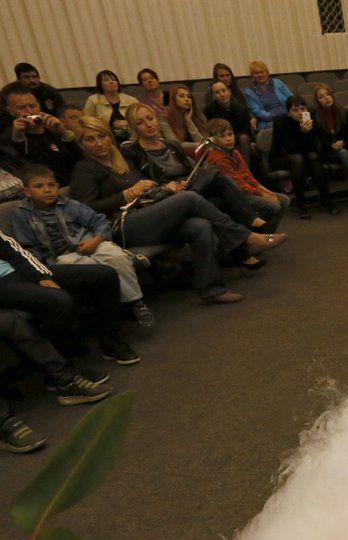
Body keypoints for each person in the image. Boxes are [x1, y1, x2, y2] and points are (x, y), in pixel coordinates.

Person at [70, 116, 284, 304]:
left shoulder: (122, 162)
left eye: (102, 136)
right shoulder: (84, 169)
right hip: (122, 226)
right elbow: (87, 208)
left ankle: (211, 289)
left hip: (148, 214)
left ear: (110, 137)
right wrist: (126, 194)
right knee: (189, 198)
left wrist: (164, 188)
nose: (99, 143)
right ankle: (246, 238)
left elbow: (146, 188)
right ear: (81, 144)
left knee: (199, 225)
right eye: (90, 139)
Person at [12, 164, 155, 326]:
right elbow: (28, 247)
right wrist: (42, 273)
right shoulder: (21, 214)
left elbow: (99, 222)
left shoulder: (70, 204)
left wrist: (96, 240)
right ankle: (122, 284)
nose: (47, 190)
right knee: (91, 268)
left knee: (113, 256)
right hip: (62, 257)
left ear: (57, 186)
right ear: (27, 191)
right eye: (39, 186)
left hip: (92, 243)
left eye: (51, 185)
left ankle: (136, 302)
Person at [121, 103, 271, 243]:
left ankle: (249, 224)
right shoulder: (132, 152)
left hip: (187, 186)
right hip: (166, 197)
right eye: (140, 123)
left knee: (216, 174)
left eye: (150, 118)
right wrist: (167, 188)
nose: (149, 124)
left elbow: (190, 170)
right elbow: (141, 187)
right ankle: (248, 235)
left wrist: (184, 182)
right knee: (217, 191)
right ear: (133, 128)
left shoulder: (171, 145)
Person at [0, 228, 140, 365]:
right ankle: (58, 360)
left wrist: (42, 276)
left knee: (105, 275)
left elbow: (16, 251)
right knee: (60, 300)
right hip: (3, 283)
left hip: (20, 270)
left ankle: (110, 340)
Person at [205, 118, 287, 232]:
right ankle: (254, 234)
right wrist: (262, 194)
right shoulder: (217, 159)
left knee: (284, 200)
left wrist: (264, 190)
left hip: (245, 191)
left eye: (230, 134)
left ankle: (264, 233)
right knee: (275, 206)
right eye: (222, 136)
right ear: (214, 140)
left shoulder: (235, 153)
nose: (228, 138)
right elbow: (238, 185)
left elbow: (248, 176)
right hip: (234, 196)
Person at [270, 95, 337, 219]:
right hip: (282, 157)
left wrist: (308, 133)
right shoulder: (280, 122)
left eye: (303, 109)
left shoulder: (309, 119)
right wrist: (302, 133)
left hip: (304, 155)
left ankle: (326, 200)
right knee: (297, 159)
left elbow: (315, 144)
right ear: (289, 113)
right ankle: (301, 204)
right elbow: (288, 148)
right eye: (295, 110)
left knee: (313, 157)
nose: (300, 113)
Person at [0, 86, 82, 185]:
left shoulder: (53, 128)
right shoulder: (9, 139)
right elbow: (27, 171)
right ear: (11, 111)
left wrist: (64, 134)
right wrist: (19, 141)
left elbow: (79, 160)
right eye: (21, 108)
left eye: (32, 106)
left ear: (39, 106)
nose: (29, 111)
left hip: (75, 182)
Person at [310, 83, 348, 213]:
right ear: (317, 101)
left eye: (328, 94)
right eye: (321, 97)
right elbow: (316, 139)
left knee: (346, 153)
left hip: (343, 150)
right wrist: (331, 145)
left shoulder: (343, 112)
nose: (326, 98)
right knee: (345, 154)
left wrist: (342, 143)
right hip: (325, 152)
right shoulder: (314, 115)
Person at [0, 62, 65, 129]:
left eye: (34, 77)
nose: (31, 80)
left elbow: (62, 111)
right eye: (26, 77)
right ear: (18, 80)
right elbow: (3, 117)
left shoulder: (50, 91)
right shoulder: (8, 92)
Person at [204, 80, 254, 166]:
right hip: (218, 140)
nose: (222, 94)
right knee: (206, 144)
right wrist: (209, 146)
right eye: (217, 92)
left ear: (229, 92)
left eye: (223, 90)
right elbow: (208, 134)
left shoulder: (241, 108)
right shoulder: (209, 110)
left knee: (244, 139)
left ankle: (244, 169)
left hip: (238, 139)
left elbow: (247, 132)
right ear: (213, 96)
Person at [82, 70, 138, 143]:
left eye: (114, 80)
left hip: (132, 137)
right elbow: (87, 122)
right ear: (100, 85)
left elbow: (140, 119)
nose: (111, 82)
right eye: (106, 80)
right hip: (105, 139)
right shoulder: (93, 100)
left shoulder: (130, 100)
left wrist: (127, 122)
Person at [244, 61, 292, 131]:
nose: (260, 75)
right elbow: (256, 110)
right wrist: (273, 117)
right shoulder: (249, 92)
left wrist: (292, 112)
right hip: (268, 120)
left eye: (262, 72)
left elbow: (290, 97)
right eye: (256, 73)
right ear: (252, 76)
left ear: (267, 73)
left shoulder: (277, 83)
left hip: (287, 114)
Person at [164, 85, 209, 150]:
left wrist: (189, 122)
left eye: (189, 97)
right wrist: (198, 145)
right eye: (181, 96)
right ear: (173, 99)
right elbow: (175, 143)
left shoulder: (199, 117)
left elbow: (204, 142)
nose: (186, 99)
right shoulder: (165, 118)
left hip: (200, 153)